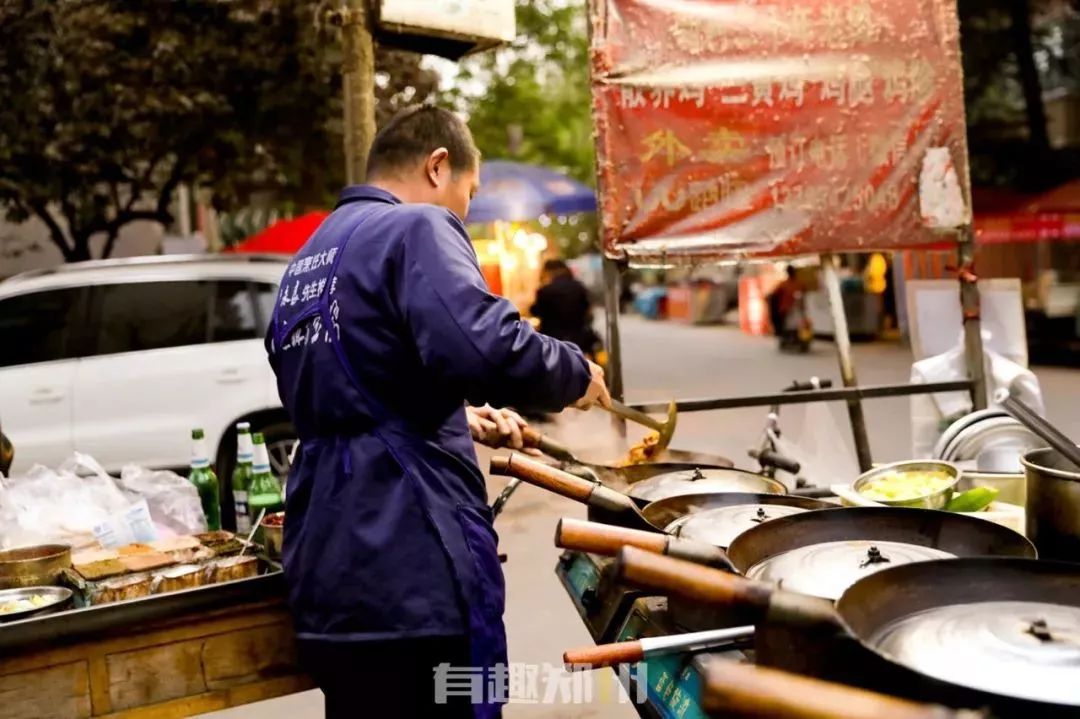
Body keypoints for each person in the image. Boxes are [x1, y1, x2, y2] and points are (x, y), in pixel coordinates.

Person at [265, 104, 610, 719]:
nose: (466, 212)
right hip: (411, 563)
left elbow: (353, 387)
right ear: (437, 166)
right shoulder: (417, 226)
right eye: (470, 194)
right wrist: (573, 370)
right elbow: (484, 342)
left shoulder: (310, 258)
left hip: (330, 570)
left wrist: (453, 416)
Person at [530, 259, 602, 358]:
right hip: (579, 341)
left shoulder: (544, 291)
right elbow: (589, 314)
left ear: (548, 271)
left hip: (552, 343)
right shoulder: (579, 287)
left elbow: (535, 311)